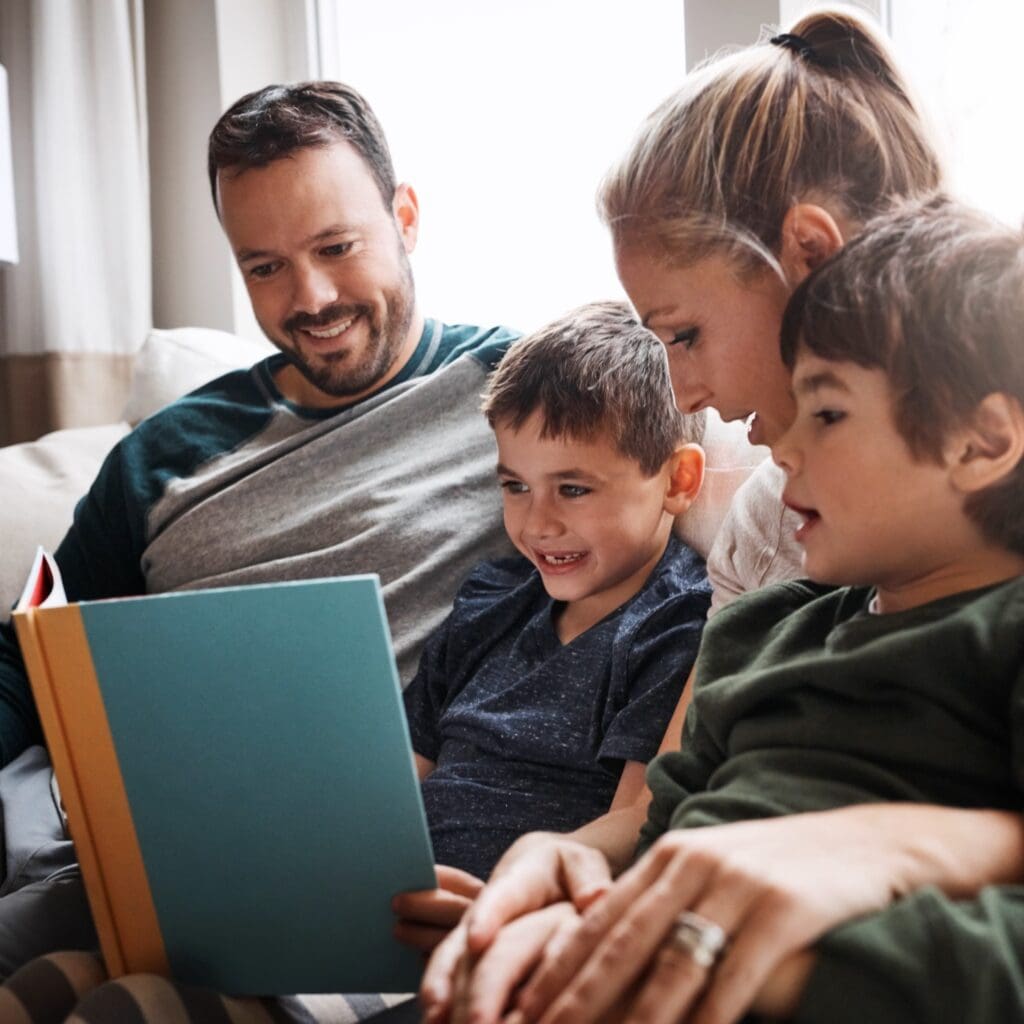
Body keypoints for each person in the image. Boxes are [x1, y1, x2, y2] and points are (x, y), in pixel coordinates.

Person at [417, 10, 1024, 1023]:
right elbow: (664, 803)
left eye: (684, 332)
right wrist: (562, 859)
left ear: (807, 257)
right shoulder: (767, 574)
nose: (680, 384)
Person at [0, 80, 518, 976]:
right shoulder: (160, 458)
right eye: (265, 266)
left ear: (406, 216)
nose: (309, 298)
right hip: (164, 858)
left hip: (399, 868)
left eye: (336, 246)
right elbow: (26, 658)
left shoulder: (524, 394)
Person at [405, 301, 710, 881]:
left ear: (678, 481)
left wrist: (514, 890)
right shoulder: (490, 598)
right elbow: (403, 771)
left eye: (572, 489)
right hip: (400, 887)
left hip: (532, 905)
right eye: (516, 486)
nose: (538, 524)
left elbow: (638, 821)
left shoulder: (675, 622)